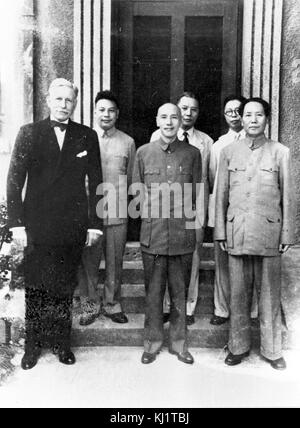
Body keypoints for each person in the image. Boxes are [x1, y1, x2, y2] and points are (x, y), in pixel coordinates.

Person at [7, 78, 103, 370]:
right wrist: (17, 225)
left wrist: (94, 225)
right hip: (37, 224)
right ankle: (33, 346)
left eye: (69, 100)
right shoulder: (29, 133)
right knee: (36, 286)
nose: (64, 105)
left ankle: (62, 343)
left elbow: (97, 181)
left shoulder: (86, 136)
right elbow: (14, 181)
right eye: (59, 99)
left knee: (64, 285)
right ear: (49, 100)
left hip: (71, 225)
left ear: (75, 103)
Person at [215, 97, 295, 370]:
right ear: (241, 118)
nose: (252, 119)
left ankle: (273, 351)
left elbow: (288, 197)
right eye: (247, 114)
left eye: (258, 115)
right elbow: (221, 196)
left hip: (269, 233)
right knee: (238, 295)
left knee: (269, 296)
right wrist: (220, 232)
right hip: (237, 232)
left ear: (267, 119)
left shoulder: (280, 152)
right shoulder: (228, 152)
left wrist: (287, 235)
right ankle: (238, 347)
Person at [133, 103, 202, 364]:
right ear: (157, 120)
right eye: (164, 117)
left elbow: (197, 196)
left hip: (182, 236)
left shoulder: (193, 154)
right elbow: (136, 196)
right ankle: (151, 344)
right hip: (154, 235)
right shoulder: (143, 153)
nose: (170, 122)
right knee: (152, 293)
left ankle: (179, 344)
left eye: (174, 117)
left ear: (180, 120)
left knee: (179, 294)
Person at [151, 92, 213, 325]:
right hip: (166, 207)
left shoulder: (206, 142)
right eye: (184, 108)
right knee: (166, 255)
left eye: (193, 109)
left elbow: (209, 178)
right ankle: (168, 305)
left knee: (192, 255)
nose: (188, 113)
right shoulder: (157, 135)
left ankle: (188, 307)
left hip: (193, 205)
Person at [77, 90, 136, 325]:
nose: (106, 114)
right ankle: (89, 307)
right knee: (88, 263)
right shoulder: (82, 138)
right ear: (94, 111)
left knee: (114, 262)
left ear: (117, 113)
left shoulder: (128, 142)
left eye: (111, 110)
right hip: (89, 213)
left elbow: (131, 178)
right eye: (102, 109)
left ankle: (113, 305)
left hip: (117, 211)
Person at [209, 95, 258, 325]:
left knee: (250, 263)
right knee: (222, 262)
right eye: (229, 111)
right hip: (226, 210)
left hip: (250, 211)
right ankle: (222, 309)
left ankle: (251, 312)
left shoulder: (259, 144)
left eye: (239, 110)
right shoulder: (219, 145)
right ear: (224, 115)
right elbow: (214, 180)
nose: (235, 115)